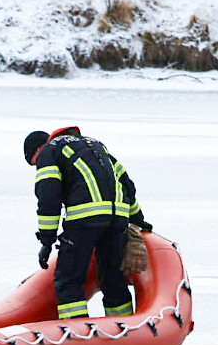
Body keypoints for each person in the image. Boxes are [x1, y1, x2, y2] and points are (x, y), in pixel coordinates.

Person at [23, 126, 152, 320]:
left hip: (84, 219)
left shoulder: (50, 151)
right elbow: (126, 184)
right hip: (117, 218)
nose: (37, 166)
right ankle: (122, 332)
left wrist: (47, 241)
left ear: (38, 150)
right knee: (112, 279)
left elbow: (49, 197)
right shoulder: (95, 145)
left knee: (68, 281)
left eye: (34, 163)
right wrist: (138, 219)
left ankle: (77, 337)